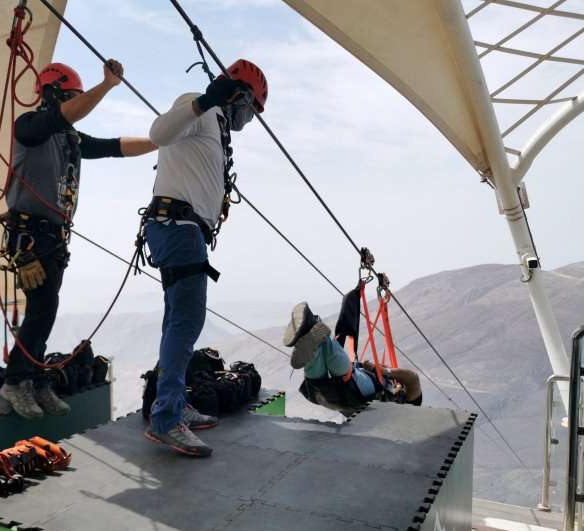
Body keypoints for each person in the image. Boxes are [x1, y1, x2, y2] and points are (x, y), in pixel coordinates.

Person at [0, 60, 157, 419]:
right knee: (42, 308)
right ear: (53, 96)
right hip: (30, 237)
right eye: (70, 98)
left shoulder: (67, 138)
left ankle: (34, 378)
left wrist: (157, 141)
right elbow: (66, 116)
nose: (76, 106)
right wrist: (107, 86)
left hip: (51, 238)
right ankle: (17, 380)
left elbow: (113, 146)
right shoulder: (30, 127)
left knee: (46, 308)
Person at [142, 59, 269, 457]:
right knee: (186, 321)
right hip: (178, 228)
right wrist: (207, 100)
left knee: (176, 321)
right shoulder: (199, 104)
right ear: (240, 96)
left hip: (182, 229)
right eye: (250, 111)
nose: (246, 121)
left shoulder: (214, 125)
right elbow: (159, 133)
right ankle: (166, 419)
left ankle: (173, 405)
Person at [284, 302, 422, 414]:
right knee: (319, 381)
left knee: (347, 376)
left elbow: (413, 378)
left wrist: (378, 369)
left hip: (361, 395)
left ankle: (312, 328)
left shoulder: (406, 402)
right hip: (333, 400)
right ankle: (311, 334)